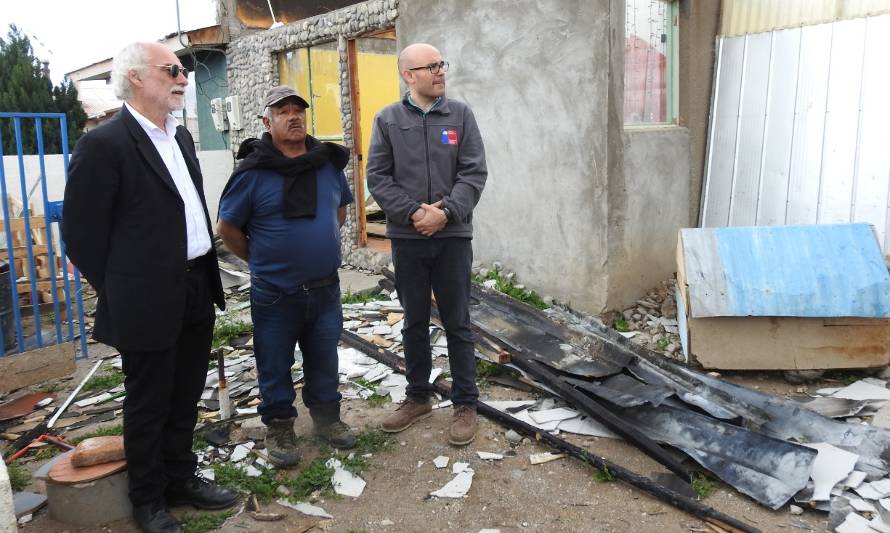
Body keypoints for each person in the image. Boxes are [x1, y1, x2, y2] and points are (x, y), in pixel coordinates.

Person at [62, 42, 238, 533]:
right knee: (149, 402)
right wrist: (122, 287)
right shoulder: (105, 145)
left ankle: (181, 478)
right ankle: (148, 499)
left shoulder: (179, 139)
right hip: (145, 297)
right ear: (136, 78)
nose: (183, 78)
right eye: (172, 70)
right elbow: (81, 234)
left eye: (183, 71)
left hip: (197, 284)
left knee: (186, 394)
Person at [217, 86, 356, 468]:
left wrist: (316, 245)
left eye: (298, 110)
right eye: (282, 111)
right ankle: (279, 426)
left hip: (325, 288)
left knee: (324, 358)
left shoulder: (326, 163)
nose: (293, 116)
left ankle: (327, 420)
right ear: (267, 122)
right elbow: (227, 228)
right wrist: (262, 261)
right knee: (274, 362)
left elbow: (339, 210)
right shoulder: (252, 173)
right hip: (275, 292)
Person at [366, 43, 488, 446]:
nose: (440, 72)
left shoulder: (461, 115)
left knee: (458, 322)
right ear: (408, 75)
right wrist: (415, 213)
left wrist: (446, 213)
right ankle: (417, 396)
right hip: (408, 238)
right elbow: (379, 178)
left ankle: (465, 403)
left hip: (453, 237)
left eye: (441, 64)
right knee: (414, 320)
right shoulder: (388, 120)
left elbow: (473, 173)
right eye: (430, 66)